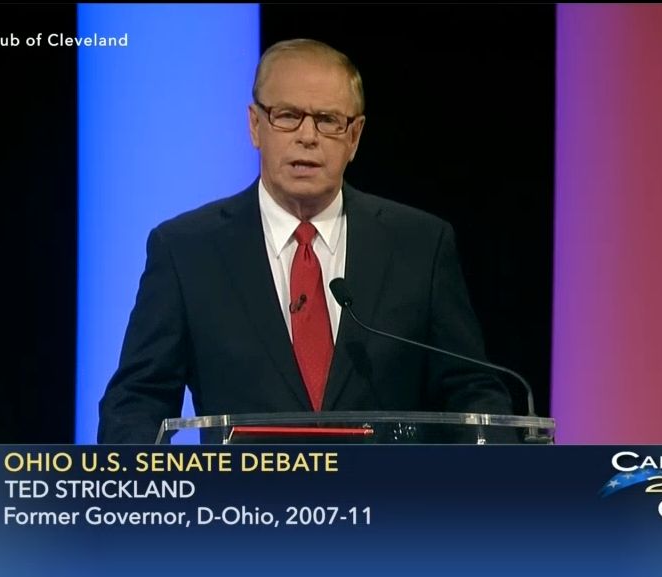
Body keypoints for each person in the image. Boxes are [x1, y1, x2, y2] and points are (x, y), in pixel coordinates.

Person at [97, 39, 514, 444]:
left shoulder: (420, 245)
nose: (308, 136)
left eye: (329, 120)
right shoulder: (187, 250)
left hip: (387, 506)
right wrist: (145, 498)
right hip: (242, 508)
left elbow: (472, 391)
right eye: (288, 115)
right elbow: (137, 401)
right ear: (255, 125)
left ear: (354, 137)